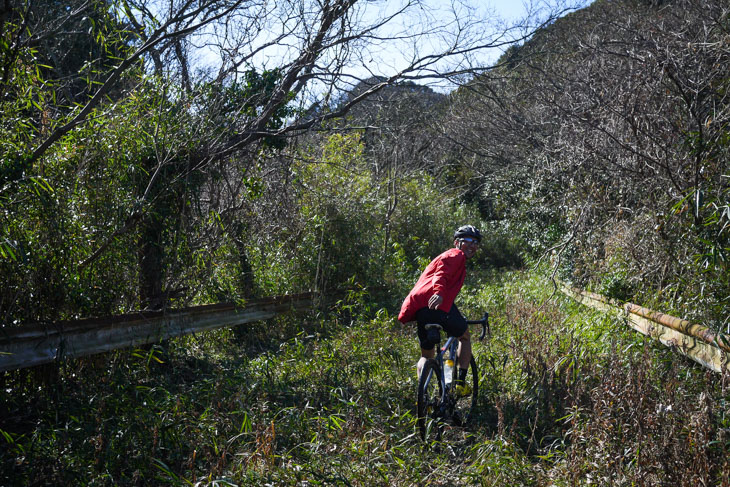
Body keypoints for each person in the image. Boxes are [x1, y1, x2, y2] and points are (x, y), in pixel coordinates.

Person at [398, 225, 481, 394]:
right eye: (468, 241)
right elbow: (441, 273)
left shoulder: (452, 258)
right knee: (464, 336)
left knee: (425, 356)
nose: (472, 245)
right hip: (437, 304)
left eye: (476, 242)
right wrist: (439, 293)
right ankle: (459, 382)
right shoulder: (455, 254)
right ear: (457, 243)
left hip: (422, 309)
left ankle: (424, 395)